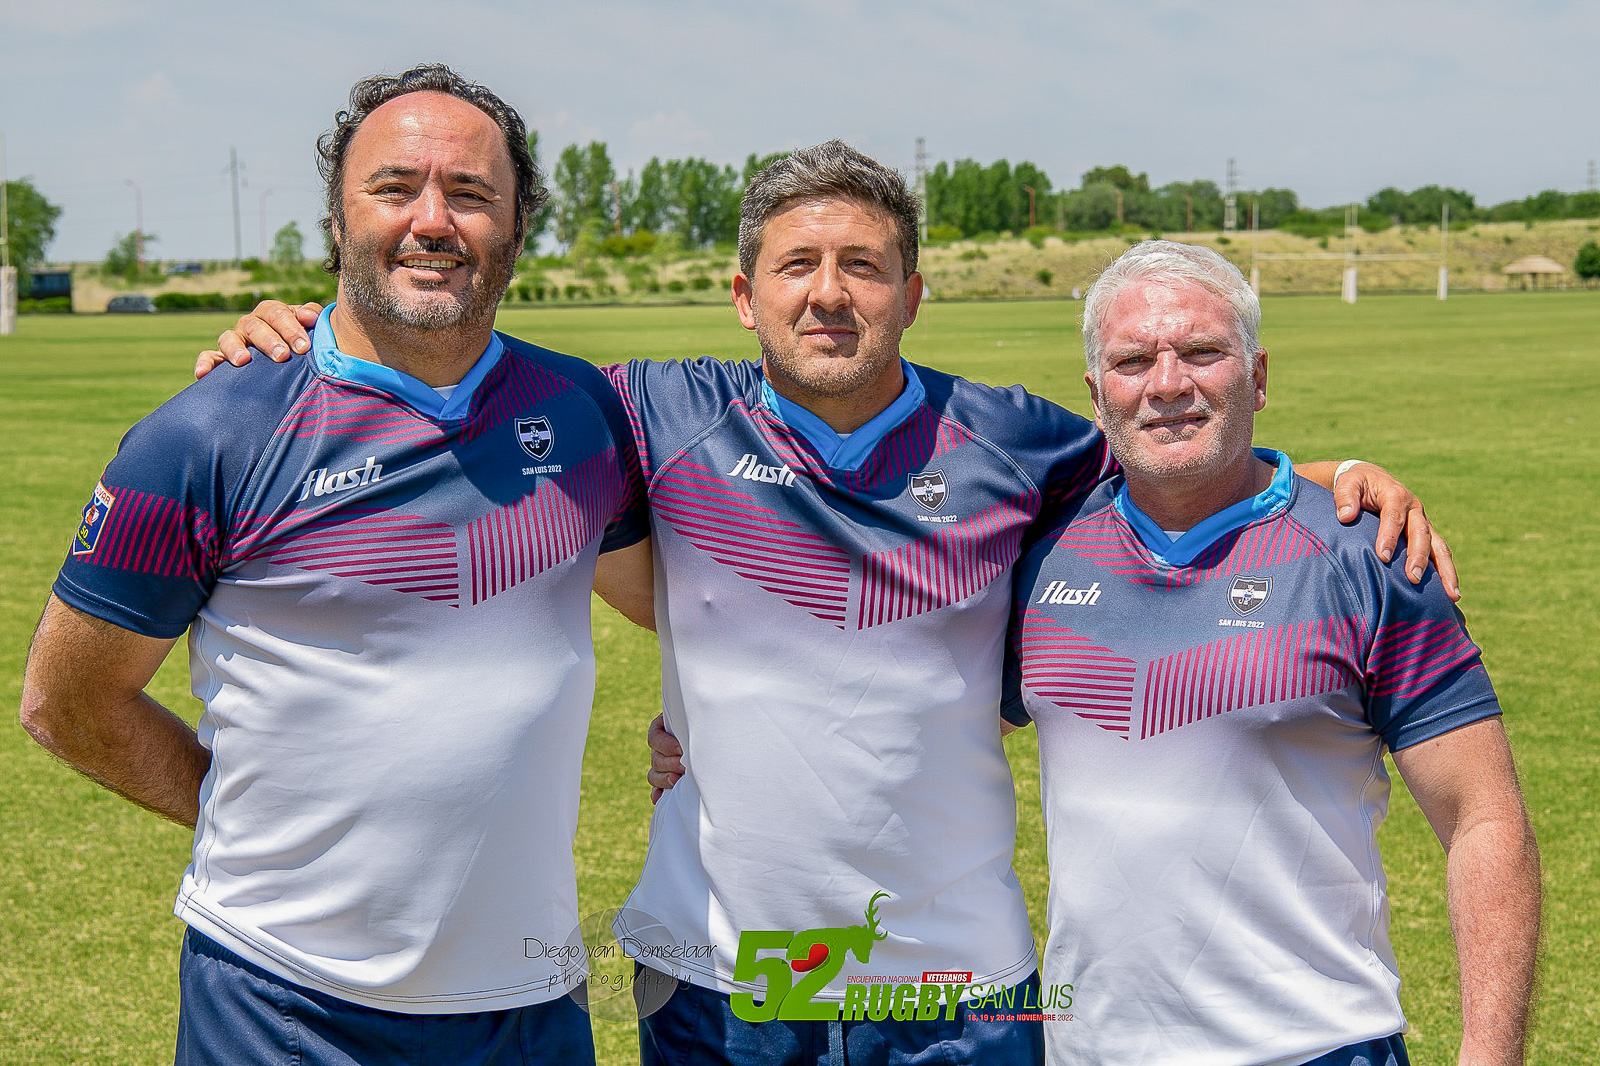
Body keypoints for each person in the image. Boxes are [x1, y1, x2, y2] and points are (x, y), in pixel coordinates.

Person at [202, 146, 1450, 1066]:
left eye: (864, 265)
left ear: (913, 294)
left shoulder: (1018, 441)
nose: (830, 292)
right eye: (796, 265)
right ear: (745, 299)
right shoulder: (645, 412)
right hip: (728, 979)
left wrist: (1327, 478)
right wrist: (300, 330)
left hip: (954, 985)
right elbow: (445, 379)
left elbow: (1177, 464)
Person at [20, 64, 651, 1066]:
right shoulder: (210, 432)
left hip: (528, 1006)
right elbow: (68, 701)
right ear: (336, 216)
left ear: (519, 226)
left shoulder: (583, 410)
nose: (432, 220)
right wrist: (247, 810)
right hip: (278, 1003)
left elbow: (694, 603)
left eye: (472, 193)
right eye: (394, 188)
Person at [1001, 241, 1540, 1065]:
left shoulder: (1368, 556)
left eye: (1204, 352)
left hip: (1316, 1048)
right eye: (1133, 360)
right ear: (1097, 395)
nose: (1168, 382)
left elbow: (1484, 820)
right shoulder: (1040, 557)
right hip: (1087, 1051)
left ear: (1257, 376)